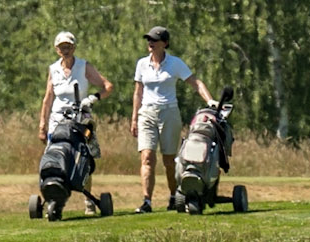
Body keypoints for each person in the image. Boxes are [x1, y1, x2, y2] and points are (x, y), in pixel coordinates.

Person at [129, 26, 214, 212]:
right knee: (147, 157)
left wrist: (210, 101)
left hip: (169, 113)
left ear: (165, 43)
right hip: (147, 113)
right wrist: (134, 118)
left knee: (169, 161)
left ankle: (175, 196)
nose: (150, 43)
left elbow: (195, 82)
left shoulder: (175, 63)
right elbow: (138, 92)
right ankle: (147, 201)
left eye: (154, 40)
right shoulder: (142, 64)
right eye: (149, 39)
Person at [38, 30, 112, 141]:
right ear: (57, 50)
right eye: (62, 47)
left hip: (79, 118)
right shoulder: (54, 69)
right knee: (52, 154)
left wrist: (92, 99)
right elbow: (48, 99)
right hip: (57, 119)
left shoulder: (83, 66)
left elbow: (108, 87)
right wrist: (42, 126)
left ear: (74, 48)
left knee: (87, 148)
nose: (66, 50)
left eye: (69, 47)